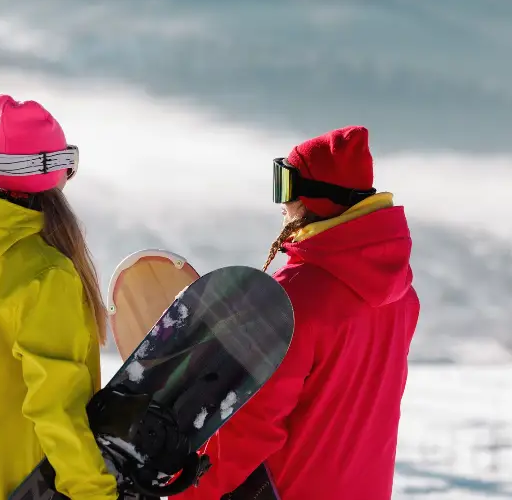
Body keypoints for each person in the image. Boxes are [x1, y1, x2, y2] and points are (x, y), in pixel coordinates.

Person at [176, 125, 420, 500]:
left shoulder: (291, 298)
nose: (281, 205)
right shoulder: (402, 295)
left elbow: (251, 426)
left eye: (285, 186)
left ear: (315, 199)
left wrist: (189, 493)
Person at [0, 95, 118, 499]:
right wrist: (94, 491)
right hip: (24, 487)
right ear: (56, 171)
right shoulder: (45, 275)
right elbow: (56, 408)